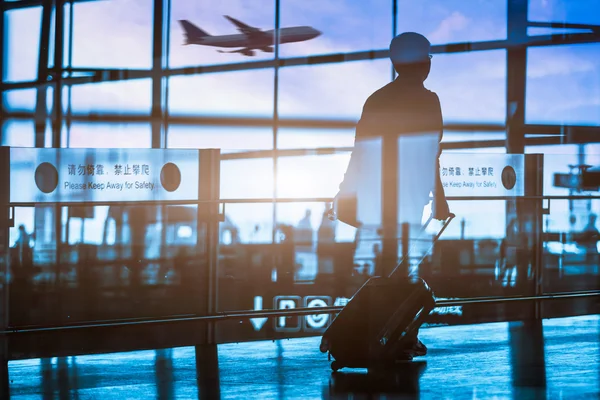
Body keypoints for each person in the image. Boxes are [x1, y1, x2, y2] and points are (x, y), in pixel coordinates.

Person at [332, 32, 451, 358]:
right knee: (402, 270)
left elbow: (360, 152)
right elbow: (432, 154)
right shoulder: (429, 101)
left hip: (380, 197)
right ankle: (393, 336)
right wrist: (439, 196)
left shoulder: (378, 99)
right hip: (408, 198)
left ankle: (383, 336)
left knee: (388, 269)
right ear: (423, 62)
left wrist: (346, 191)